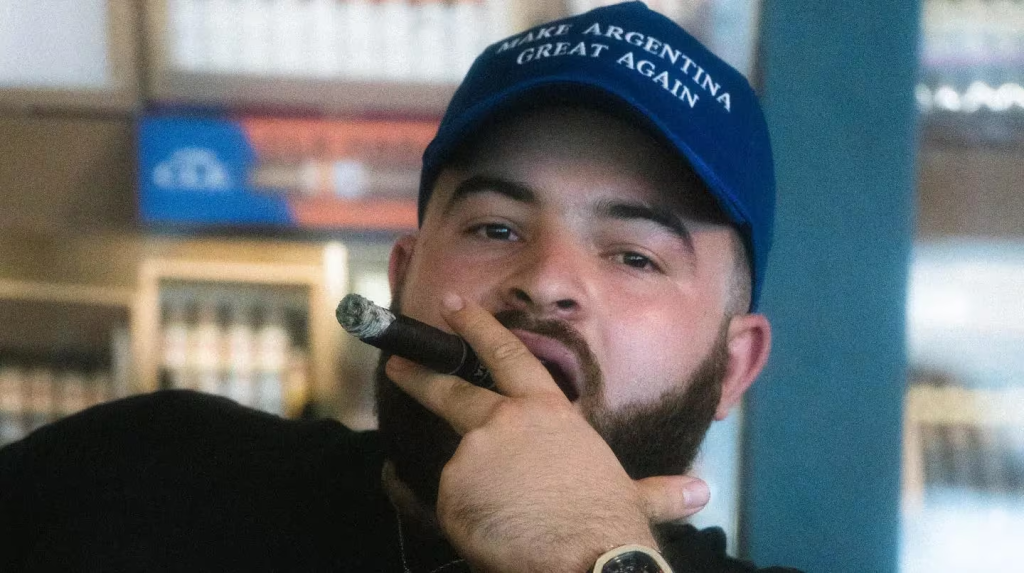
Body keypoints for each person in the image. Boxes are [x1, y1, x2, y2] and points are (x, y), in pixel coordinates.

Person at [0, 3, 798, 572]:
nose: (547, 279)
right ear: (402, 276)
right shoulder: (144, 477)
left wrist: (591, 553)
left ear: (733, 366)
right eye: (495, 228)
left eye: (634, 255)